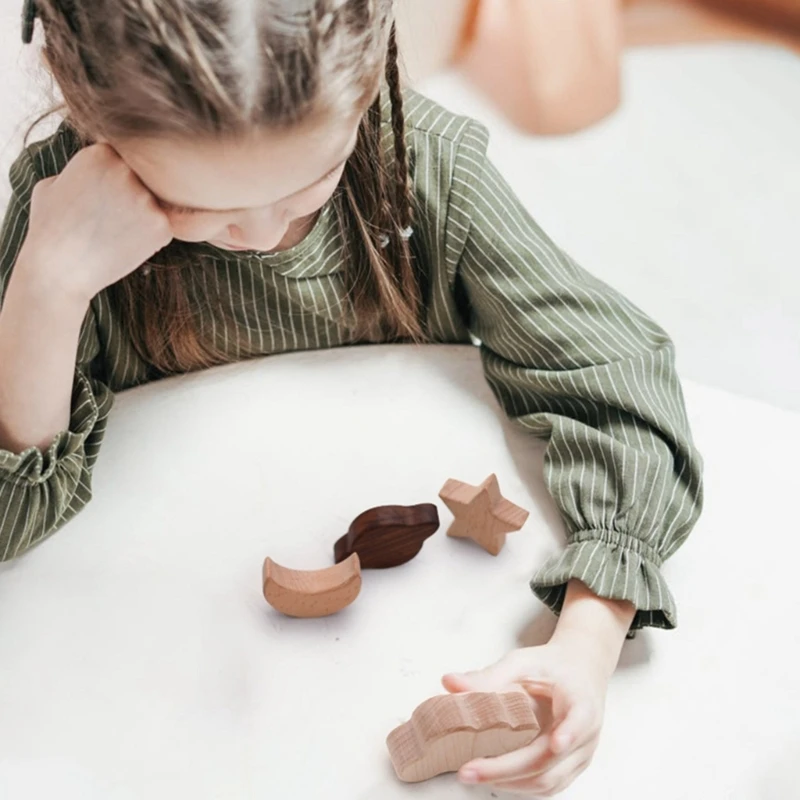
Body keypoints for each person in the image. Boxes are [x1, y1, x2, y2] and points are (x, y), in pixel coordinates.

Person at [0, 0, 703, 795]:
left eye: (308, 184)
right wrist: (48, 293)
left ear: (367, 84)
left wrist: (586, 637)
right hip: (164, 683)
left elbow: (619, 384)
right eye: (195, 207)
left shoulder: (429, 170)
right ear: (98, 129)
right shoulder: (64, 224)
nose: (263, 233)